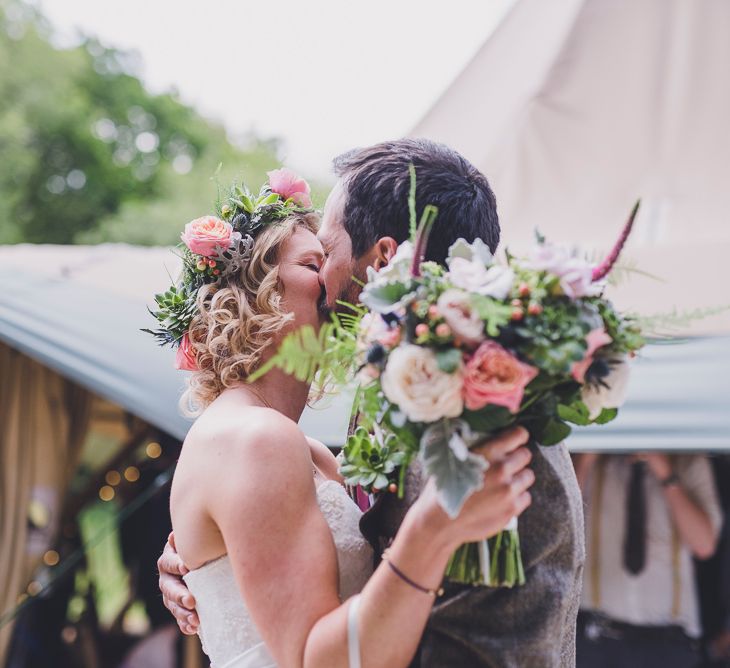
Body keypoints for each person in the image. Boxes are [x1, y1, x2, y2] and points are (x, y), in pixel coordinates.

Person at [160, 139, 586, 667]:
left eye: (326, 253)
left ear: (384, 258)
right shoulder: (282, 433)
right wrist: (212, 563)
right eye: (311, 260)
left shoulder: (482, 410)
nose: (325, 278)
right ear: (261, 291)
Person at [572, 452, 722, 668]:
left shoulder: (689, 461)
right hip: (595, 638)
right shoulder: (594, 459)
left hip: (667, 642)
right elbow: (559, 524)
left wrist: (665, 471)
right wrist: (584, 458)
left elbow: (704, 546)